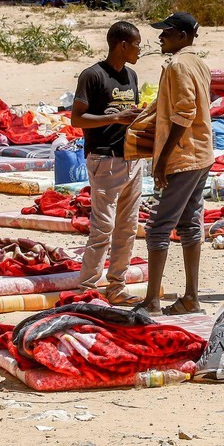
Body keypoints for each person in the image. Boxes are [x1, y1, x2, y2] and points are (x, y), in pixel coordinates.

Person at [136, 12, 214, 315]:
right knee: (190, 223)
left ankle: (151, 300)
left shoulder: (179, 64)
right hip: (202, 152)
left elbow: (185, 113)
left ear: (182, 36)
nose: (160, 38)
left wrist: (163, 159)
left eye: (166, 32)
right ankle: (191, 297)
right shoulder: (197, 62)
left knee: (157, 227)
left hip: (184, 155)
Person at [70, 21, 145, 306]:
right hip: (105, 160)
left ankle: (116, 286)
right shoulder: (93, 76)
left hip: (132, 160)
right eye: (137, 44)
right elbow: (77, 119)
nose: (140, 49)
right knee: (102, 228)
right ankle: (86, 289)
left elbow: (130, 117)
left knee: (127, 228)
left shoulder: (132, 76)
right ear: (122, 45)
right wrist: (114, 118)